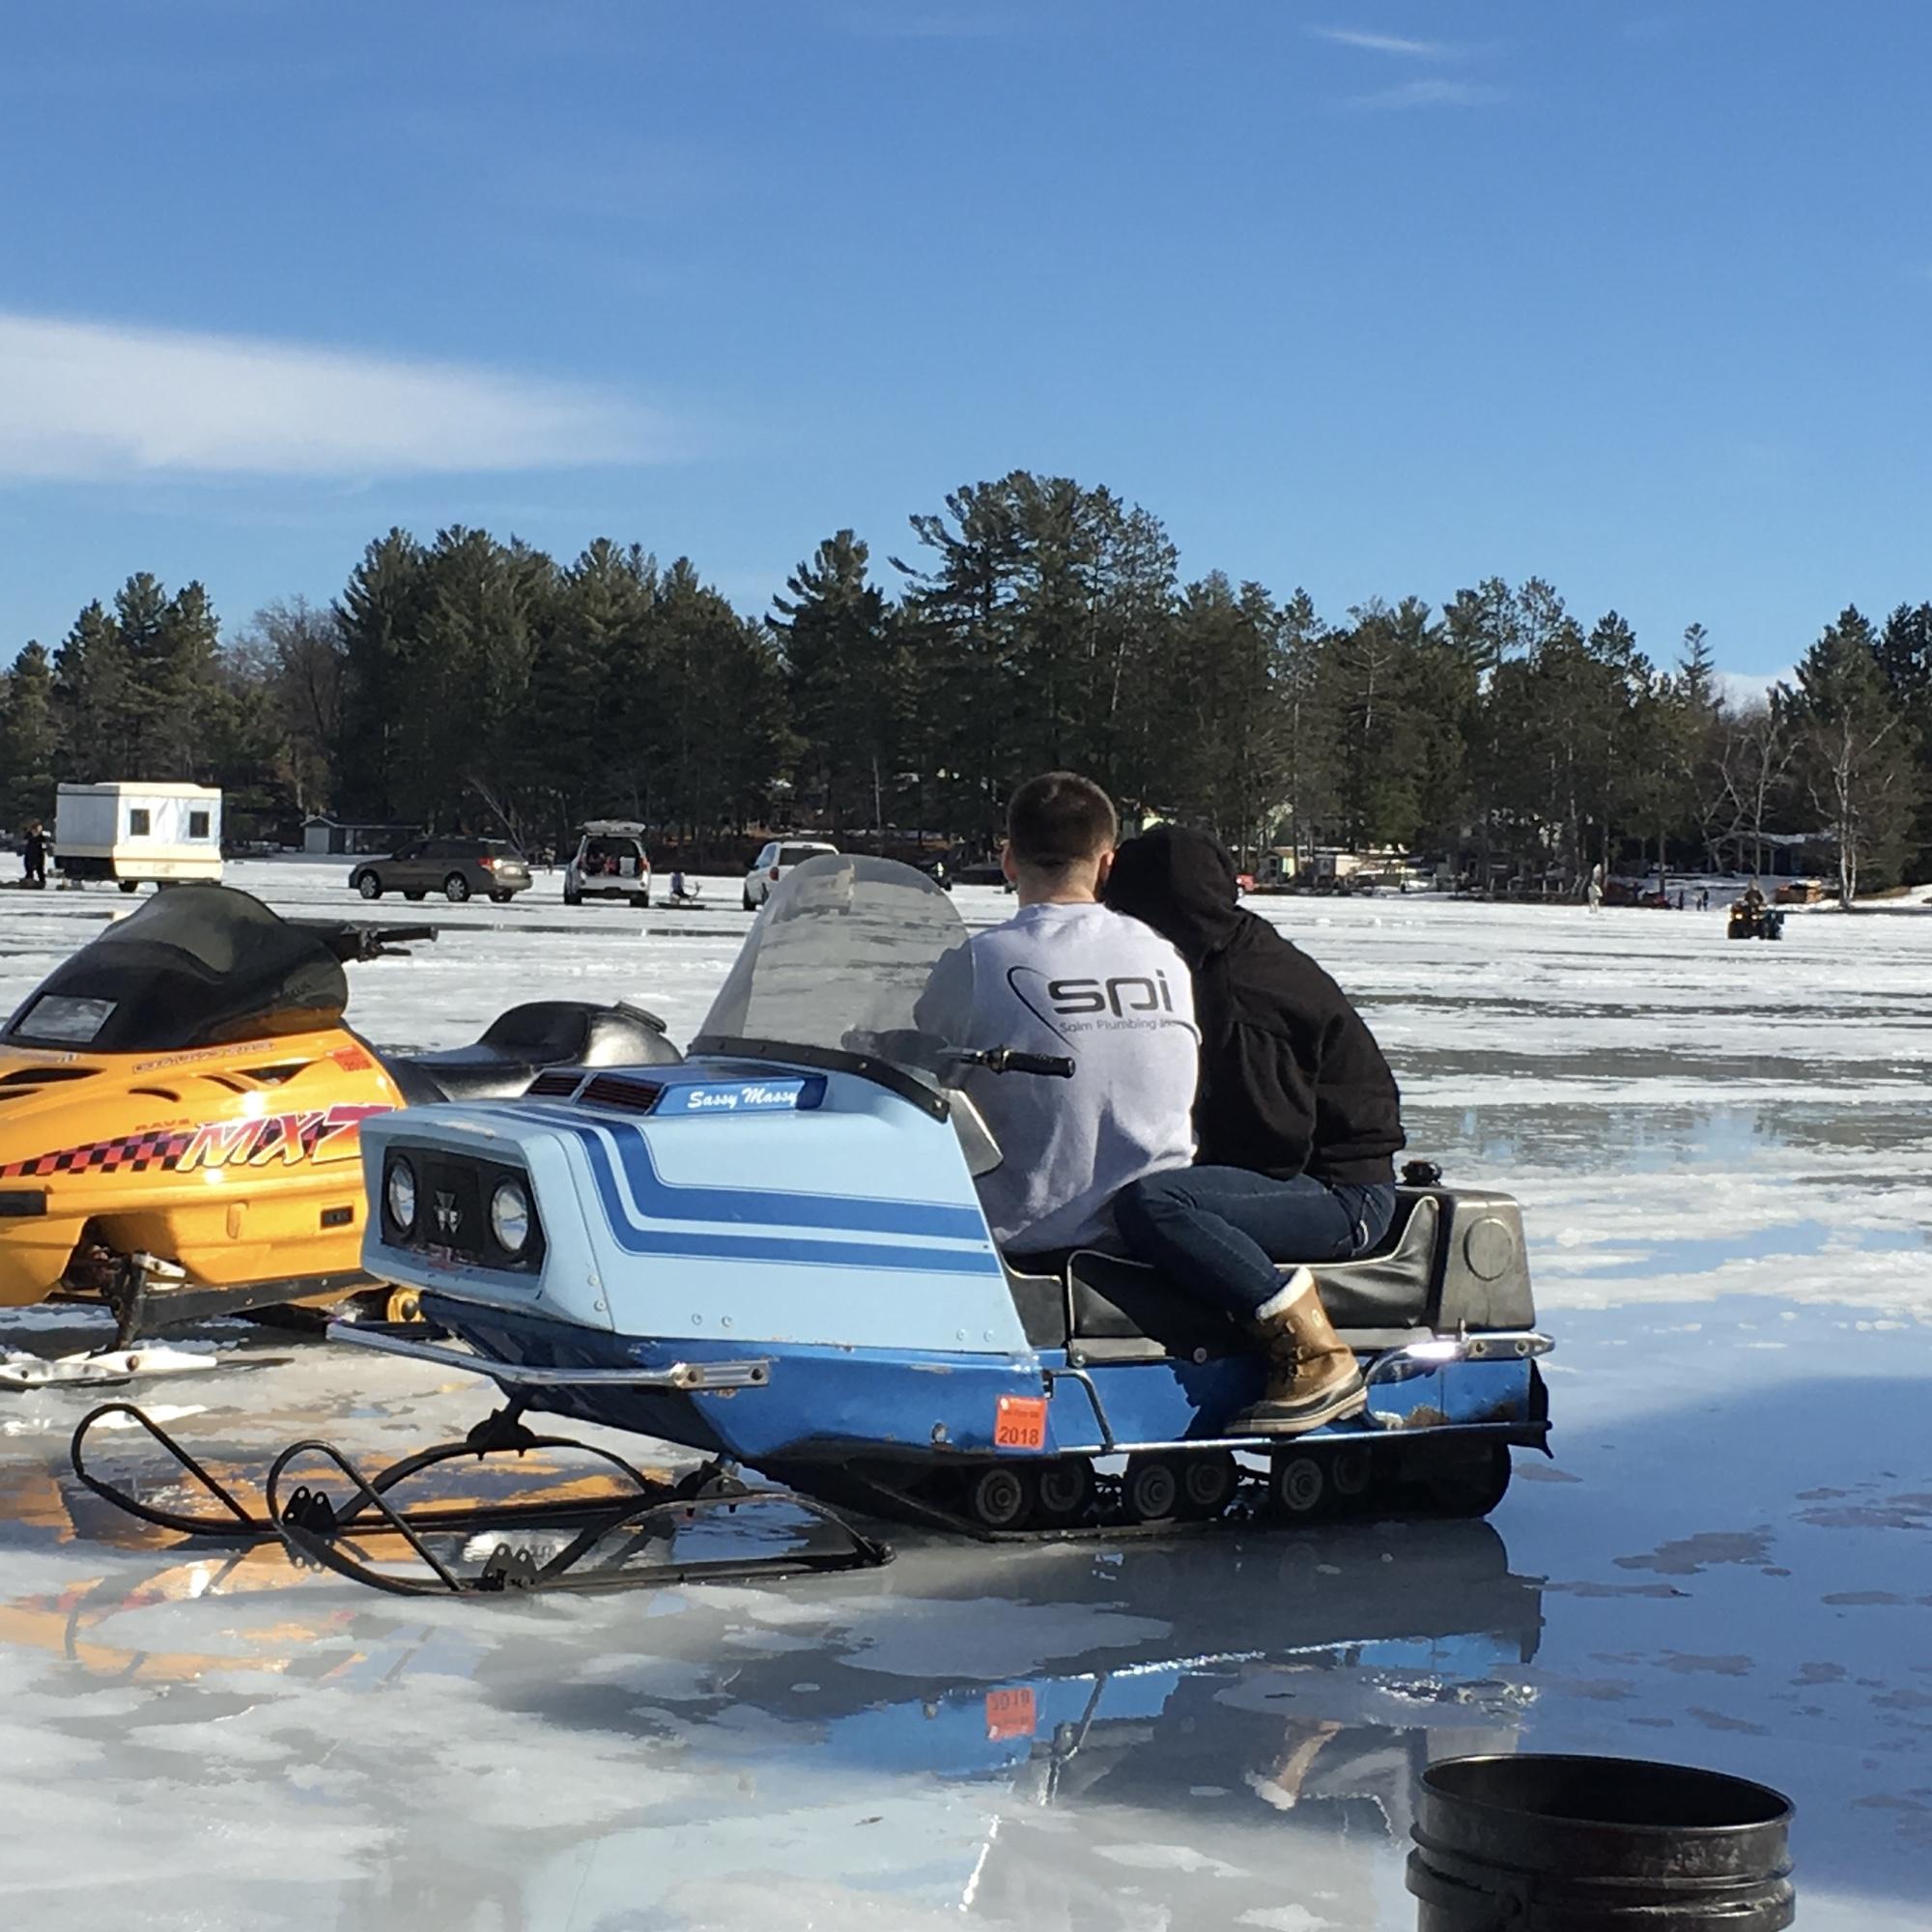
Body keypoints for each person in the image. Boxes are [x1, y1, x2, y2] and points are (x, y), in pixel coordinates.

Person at [1104, 825, 1406, 1435]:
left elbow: (1274, 1141)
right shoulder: (1223, 954)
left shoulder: (1245, 994)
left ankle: (1315, 1355)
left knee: (1156, 1202)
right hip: (1312, 1173)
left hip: (1341, 1192)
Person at [948, 772, 1199, 1259]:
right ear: (1107, 864)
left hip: (1018, 1240)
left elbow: (923, 1075)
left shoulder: (975, 962)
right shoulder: (1162, 955)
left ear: (1008, 860)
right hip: (1151, 1235)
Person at [22, 821, 47, 889]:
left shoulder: (42, 839)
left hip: (39, 857)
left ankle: (41, 883)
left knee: (40, 871)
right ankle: (28, 883)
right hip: (29, 856)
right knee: (29, 871)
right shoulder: (28, 837)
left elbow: (44, 848)